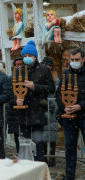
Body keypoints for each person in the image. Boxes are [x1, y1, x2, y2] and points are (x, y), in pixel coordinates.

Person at [10, 41, 55, 161]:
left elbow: (51, 88)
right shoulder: (19, 70)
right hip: (23, 111)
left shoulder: (44, 70)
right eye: (25, 56)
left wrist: (35, 86)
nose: (27, 58)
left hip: (38, 110)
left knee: (38, 141)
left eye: (30, 56)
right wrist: (17, 100)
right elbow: (13, 89)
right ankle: (25, 162)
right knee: (24, 141)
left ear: (35, 57)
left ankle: (39, 162)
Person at [56, 48, 85, 180]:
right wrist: (65, 107)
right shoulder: (66, 75)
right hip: (69, 118)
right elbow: (58, 94)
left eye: (77, 60)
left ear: (83, 59)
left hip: (84, 115)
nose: (74, 62)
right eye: (72, 60)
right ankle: (69, 175)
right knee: (69, 147)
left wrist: (80, 106)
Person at [41, 56, 59, 167]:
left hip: (52, 109)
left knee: (52, 134)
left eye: (47, 65)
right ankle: (43, 157)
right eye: (44, 64)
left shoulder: (55, 78)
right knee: (42, 135)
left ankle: (51, 157)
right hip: (42, 108)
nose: (45, 67)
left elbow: (56, 92)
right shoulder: (40, 75)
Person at [7, 57, 24, 153]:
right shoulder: (11, 79)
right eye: (17, 65)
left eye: (21, 64)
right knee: (17, 133)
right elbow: (9, 92)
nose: (19, 66)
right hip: (14, 109)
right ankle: (19, 152)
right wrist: (16, 99)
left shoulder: (27, 77)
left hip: (25, 108)